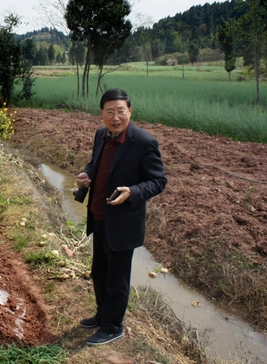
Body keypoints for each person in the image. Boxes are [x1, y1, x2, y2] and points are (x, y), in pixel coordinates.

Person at [75, 88, 167, 346]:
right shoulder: (101, 135)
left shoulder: (144, 142)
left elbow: (158, 181)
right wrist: (87, 173)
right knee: (99, 273)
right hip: (99, 216)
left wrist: (133, 191)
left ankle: (114, 327)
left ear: (130, 112)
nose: (115, 117)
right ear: (102, 113)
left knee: (117, 279)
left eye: (120, 112)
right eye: (109, 112)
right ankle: (103, 316)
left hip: (123, 222)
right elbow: (96, 163)